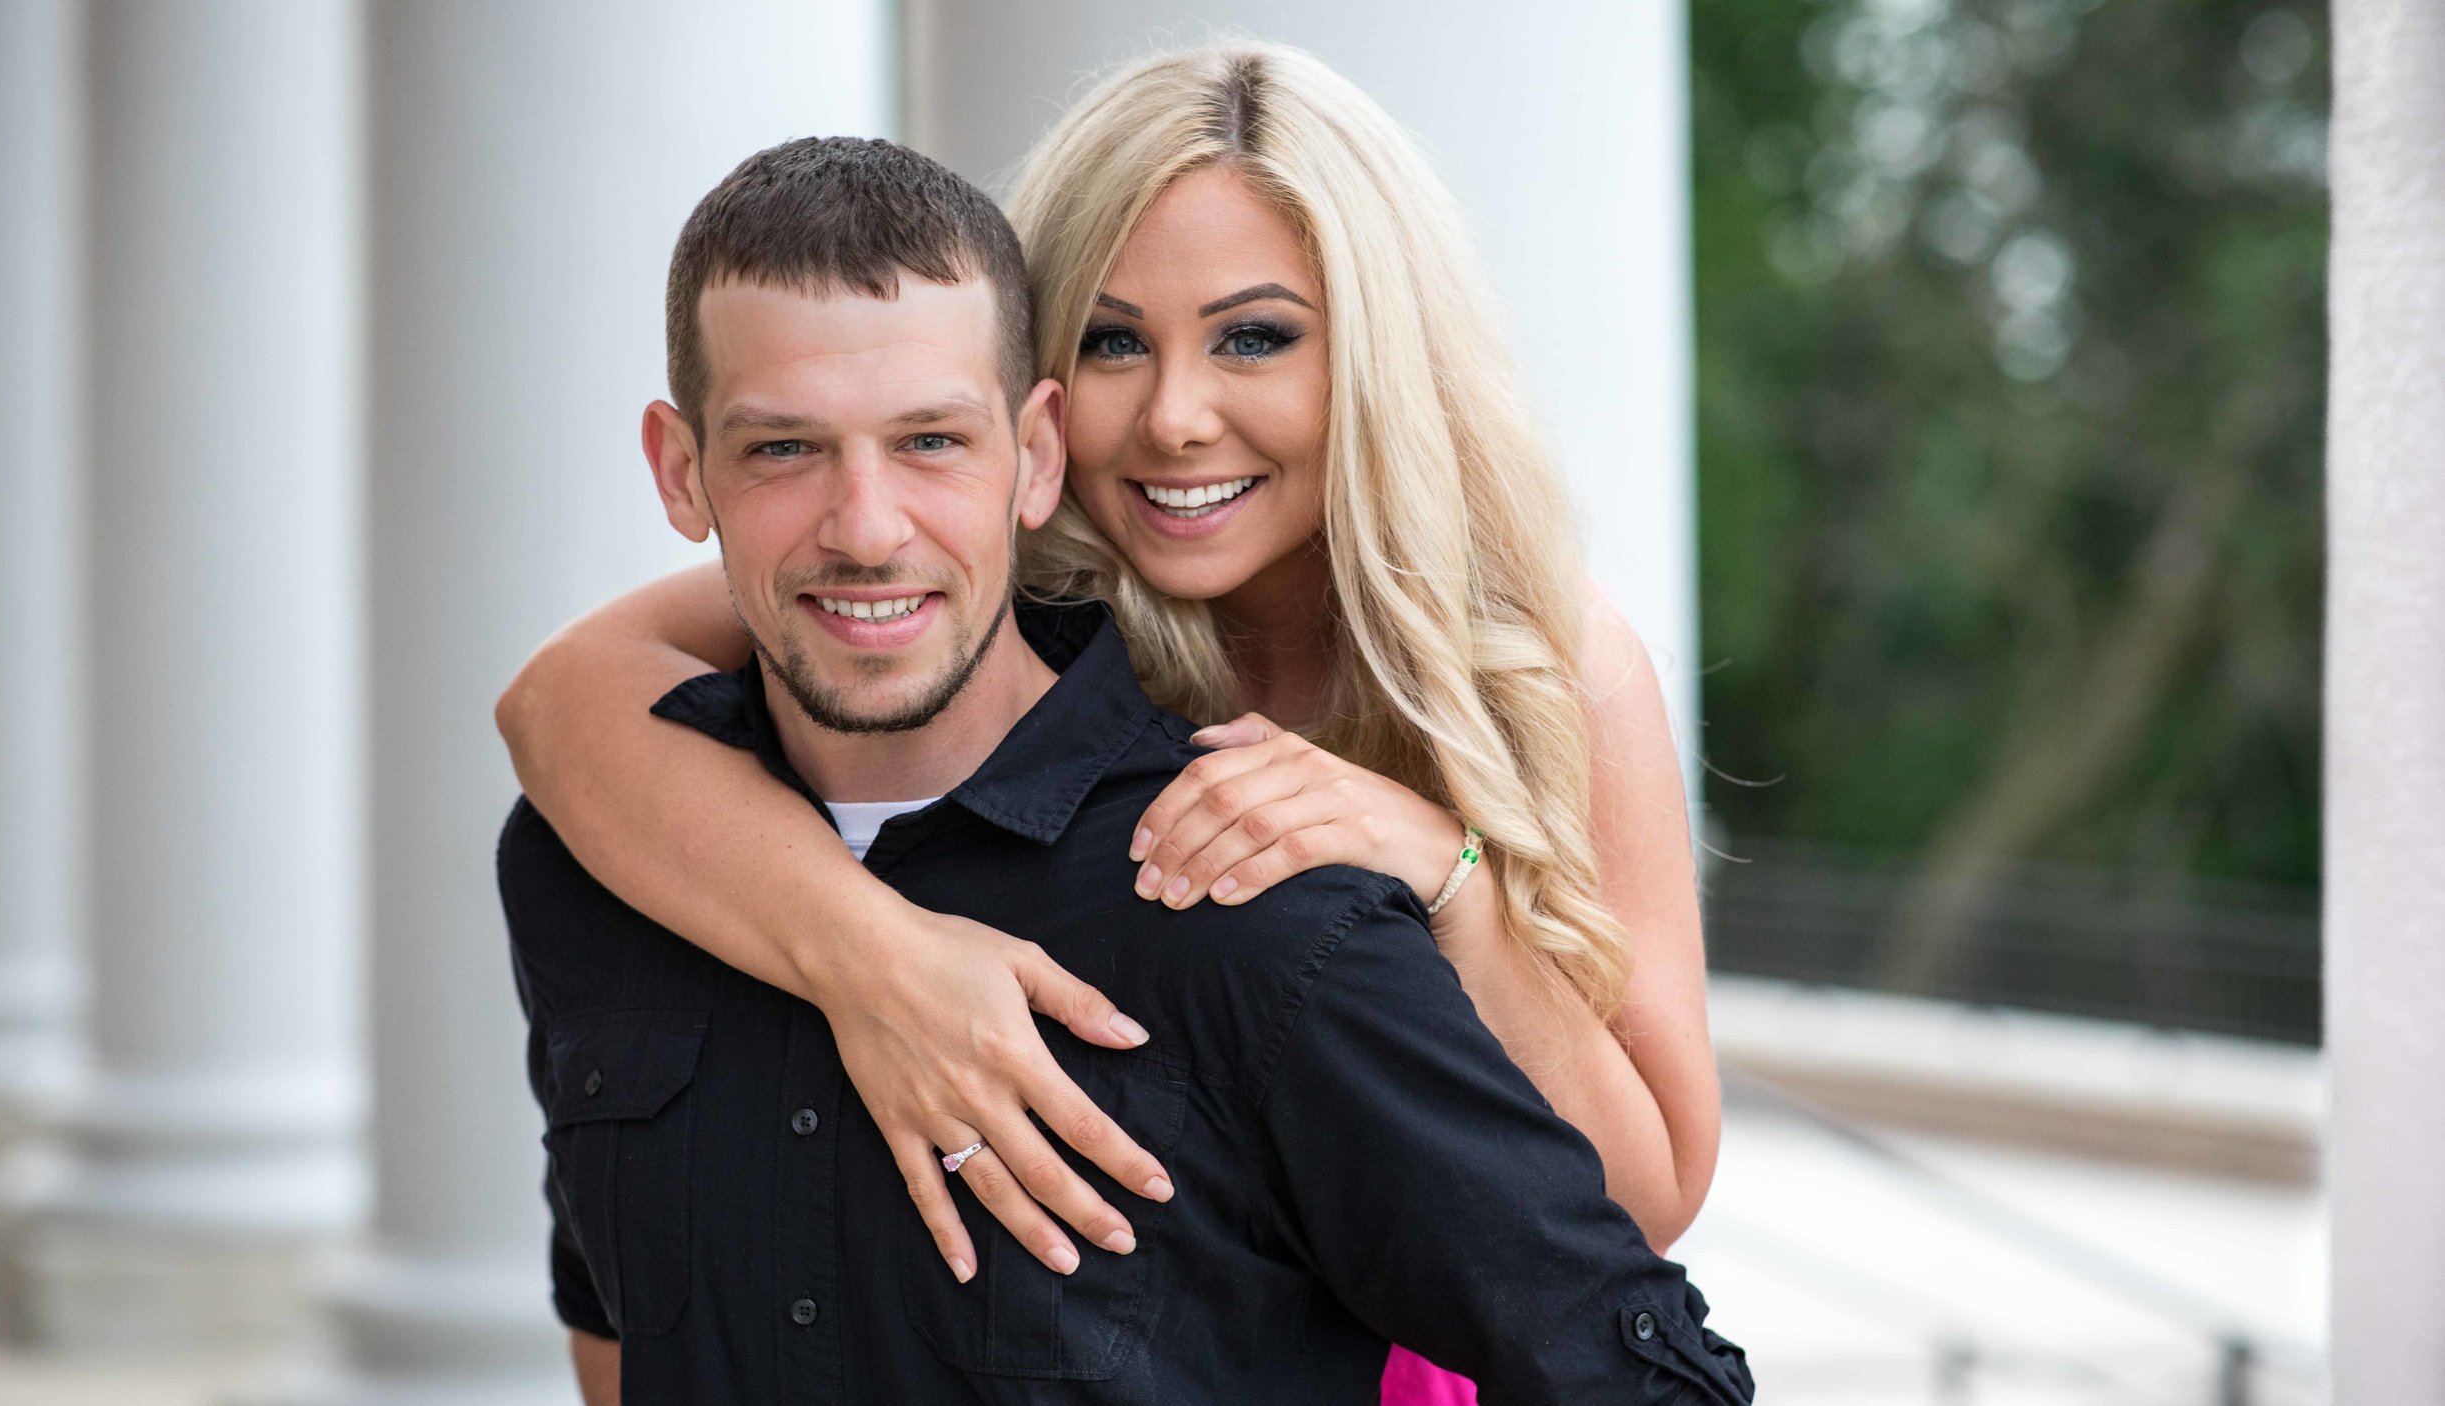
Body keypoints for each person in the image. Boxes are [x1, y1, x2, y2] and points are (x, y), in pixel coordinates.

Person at [500, 43, 1725, 1404]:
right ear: (1041, 406)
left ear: (1377, 351)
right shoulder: (972, 578)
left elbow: (1643, 1205)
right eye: (1114, 341)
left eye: (1256, 337)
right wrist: (881, 960)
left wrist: (1443, 870)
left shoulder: (1534, 660)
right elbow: (560, 705)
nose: (1175, 417)